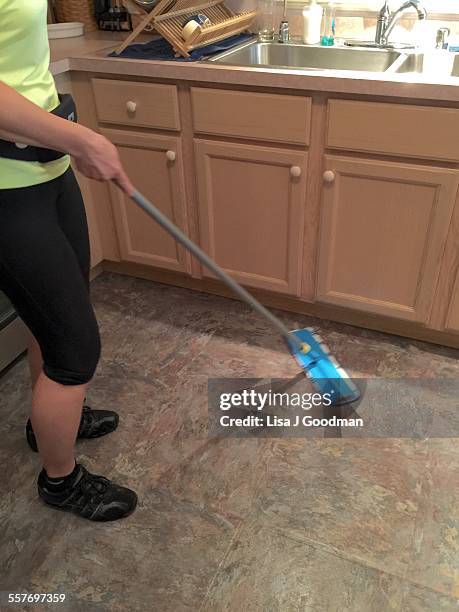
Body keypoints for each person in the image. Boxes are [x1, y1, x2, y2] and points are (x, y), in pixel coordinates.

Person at [0, 1, 138, 521]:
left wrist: (61, 135)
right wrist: (79, 137)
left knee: (54, 319)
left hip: (45, 165)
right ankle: (60, 480)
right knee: (76, 350)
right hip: (5, 188)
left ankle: (49, 424)